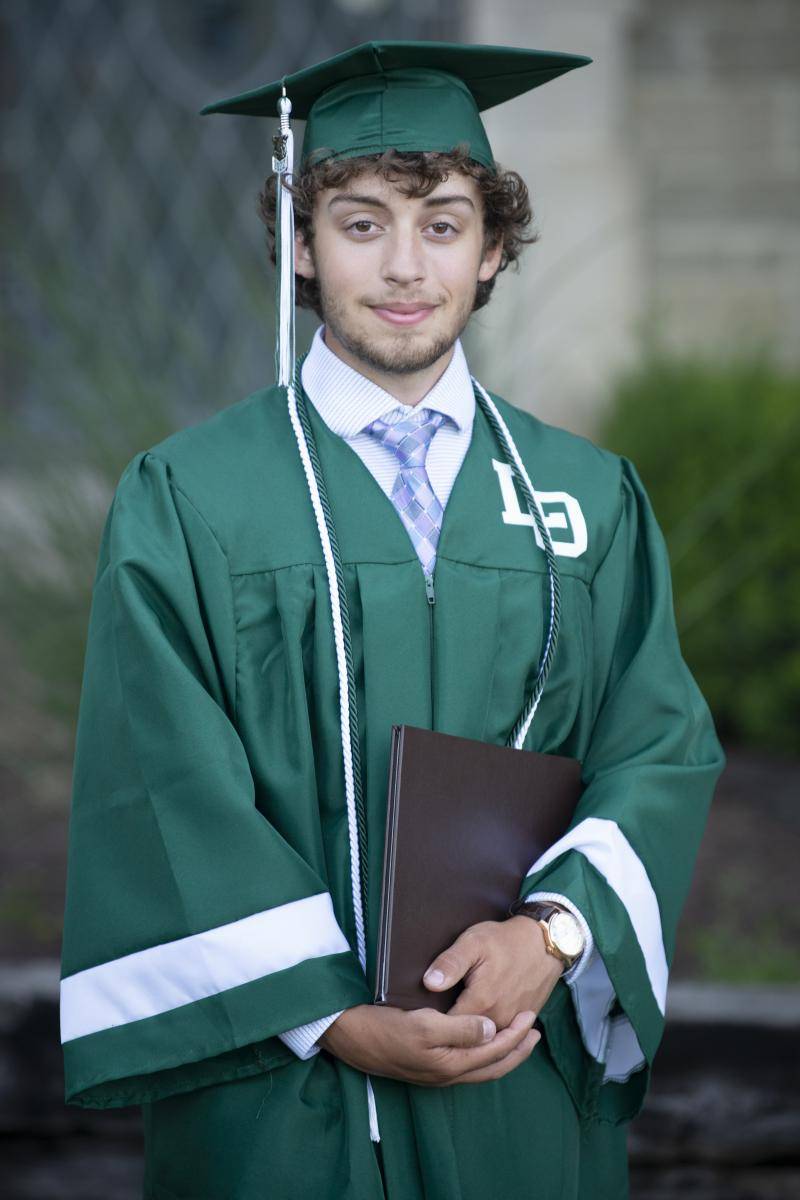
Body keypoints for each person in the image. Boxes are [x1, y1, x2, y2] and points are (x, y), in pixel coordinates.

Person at [59, 41, 725, 1200]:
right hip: (282, 1091)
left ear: (492, 249)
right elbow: (161, 781)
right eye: (361, 225)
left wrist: (554, 936)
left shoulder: (585, 498)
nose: (404, 265)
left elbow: (654, 743)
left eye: (442, 222)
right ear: (302, 248)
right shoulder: (194, 497)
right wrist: (329, 1015)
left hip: (514, 1054)